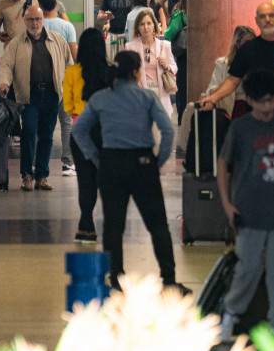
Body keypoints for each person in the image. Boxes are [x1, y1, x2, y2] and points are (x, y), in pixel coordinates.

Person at [71, 51, 189, 295]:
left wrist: (96, 157)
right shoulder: (147, 97)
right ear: (136, 72)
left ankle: (116, 279)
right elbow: (167, 130)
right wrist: (158, 160)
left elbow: (78, 130)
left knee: (113, 226)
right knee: (157, 224)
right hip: (143, 163)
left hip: (111, 164)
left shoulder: (101, 98)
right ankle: (169, 280)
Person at [216, 69, 274, 340]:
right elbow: (223, 163)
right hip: (249, 211)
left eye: (271, 100)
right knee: (247, 267)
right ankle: (230, 314)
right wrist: (227, 204)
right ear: (249, 100)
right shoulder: (241, 128)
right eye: (261, 101)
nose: (267, 107)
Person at [0, 5, 73, 191]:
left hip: (51, 95)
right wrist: (4, 83)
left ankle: (42, 176)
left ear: (43, 20)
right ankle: (26, 175)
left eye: (38, 19)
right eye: (30, 20)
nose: (35, 23)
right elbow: (6, 65)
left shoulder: (57, 40)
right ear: (25, 21)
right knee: (29, 132)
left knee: (47, 135)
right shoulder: (16, 43)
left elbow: (69, 64)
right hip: (28, 96)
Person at [200, 1, 274, 116]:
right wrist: (213, 98)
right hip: (254, 115)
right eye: (262, 16)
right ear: (256, 20)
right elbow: (232, 81)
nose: (267, 19)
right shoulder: (247, 50)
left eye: (271, 15)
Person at [63, 28, 111, 243]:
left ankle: (86, 224)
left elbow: (67, 105)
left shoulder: (72, 72)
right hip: (106, 131)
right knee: (105, 178)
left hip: (80, 131)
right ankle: (107, 225)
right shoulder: (111, 71)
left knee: (85, 179)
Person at [38, 0, 77, 176]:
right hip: (64, 80)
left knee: (42, 123)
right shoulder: (67, 27)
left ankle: (38, 163)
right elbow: (73, 55)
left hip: (42, 81)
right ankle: (67, 163)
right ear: (56, 5)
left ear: (39, 5)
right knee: (66, 123)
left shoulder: (36, 25)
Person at [126, 9, 177, 118]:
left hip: (160, 92)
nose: (146, 27)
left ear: (154, 25)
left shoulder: (164, 45)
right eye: (142, 24)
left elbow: (174, 67)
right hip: (140, 93)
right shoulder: (130, 47)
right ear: (137, 27)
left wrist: (166, 66)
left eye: (149, 23)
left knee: (159, 126)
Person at [205, 25, 255, 118]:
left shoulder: (258, 65)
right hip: (231, 110)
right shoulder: (222, 64)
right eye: (247, 42)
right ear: (237, 43)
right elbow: (212, 87)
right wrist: (215, 91)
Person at [164, 0, 189, 123]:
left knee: (182, 86)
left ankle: (182, 117)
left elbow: (168, 34)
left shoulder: (180, 15)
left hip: (183, 56)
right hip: (198, 56)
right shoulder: (202, 13)